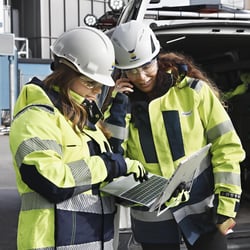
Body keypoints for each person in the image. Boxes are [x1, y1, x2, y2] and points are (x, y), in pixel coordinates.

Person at [102, 20, 245, 250]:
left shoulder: (194, 92)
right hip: (152, 217)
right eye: (131, 70)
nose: (141, 76)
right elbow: (114, 157)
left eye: (146, 66)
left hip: (203, 211)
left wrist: (226, 207)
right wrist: (118, 108)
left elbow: (227, 146)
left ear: (156, 58)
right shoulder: (118, 106)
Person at [9, 26, 147, 250]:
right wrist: (109, 165)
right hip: (53, 243)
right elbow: (51, 182)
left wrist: (135, 188)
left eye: (100, 85)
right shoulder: (35, 117)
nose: (95, 92)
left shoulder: (84, 120)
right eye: (90, 83)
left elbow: (94, 182)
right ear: (64, 74)